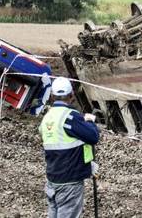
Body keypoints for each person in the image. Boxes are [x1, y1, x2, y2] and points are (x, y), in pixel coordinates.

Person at [40, 77, 100, 218]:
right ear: (72, 96)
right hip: (69, 182)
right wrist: (90, 121)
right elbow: (93, 137)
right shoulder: (70, 117)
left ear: (52, 96)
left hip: (52, 179)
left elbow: (61, 144)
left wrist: (87, 164)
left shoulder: (47, 118)